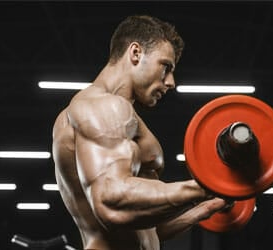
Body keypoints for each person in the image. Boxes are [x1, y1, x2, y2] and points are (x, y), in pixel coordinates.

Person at [52, 15, 228, 250]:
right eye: (166, 67)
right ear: (135, 53)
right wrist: (204, 187)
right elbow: (110, 204)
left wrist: (207, 206)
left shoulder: (116, 115)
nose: (171, 81)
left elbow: (151, 230)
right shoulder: (102, 106)